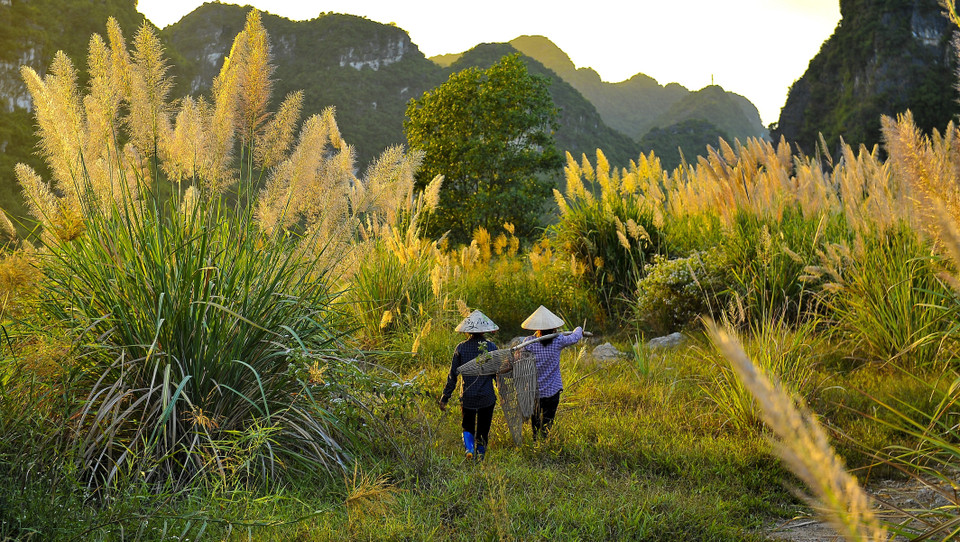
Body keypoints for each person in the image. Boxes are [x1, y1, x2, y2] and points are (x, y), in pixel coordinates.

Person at [439, 310, 499, 460]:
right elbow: (497, 374)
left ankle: (469, 449)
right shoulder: (491, 347)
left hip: (468, 396)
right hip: (487, 395)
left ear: (467, 331)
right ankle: (480, 453)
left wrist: (445, 396)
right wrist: (501, 390)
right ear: (485, 330)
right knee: (484, 427)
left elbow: (453, 374)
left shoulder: (461, 348)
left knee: (467, 425)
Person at [521, 305, 583, 441]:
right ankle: (544, 441)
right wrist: (578, 329)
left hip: (534, 392)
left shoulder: (528, 342)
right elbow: (574, 337)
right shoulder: (558, 340)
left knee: (536, 422)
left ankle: (537, 442)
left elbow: (519, 359)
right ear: (554, 328)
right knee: (547, 422)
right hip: (552, 392)